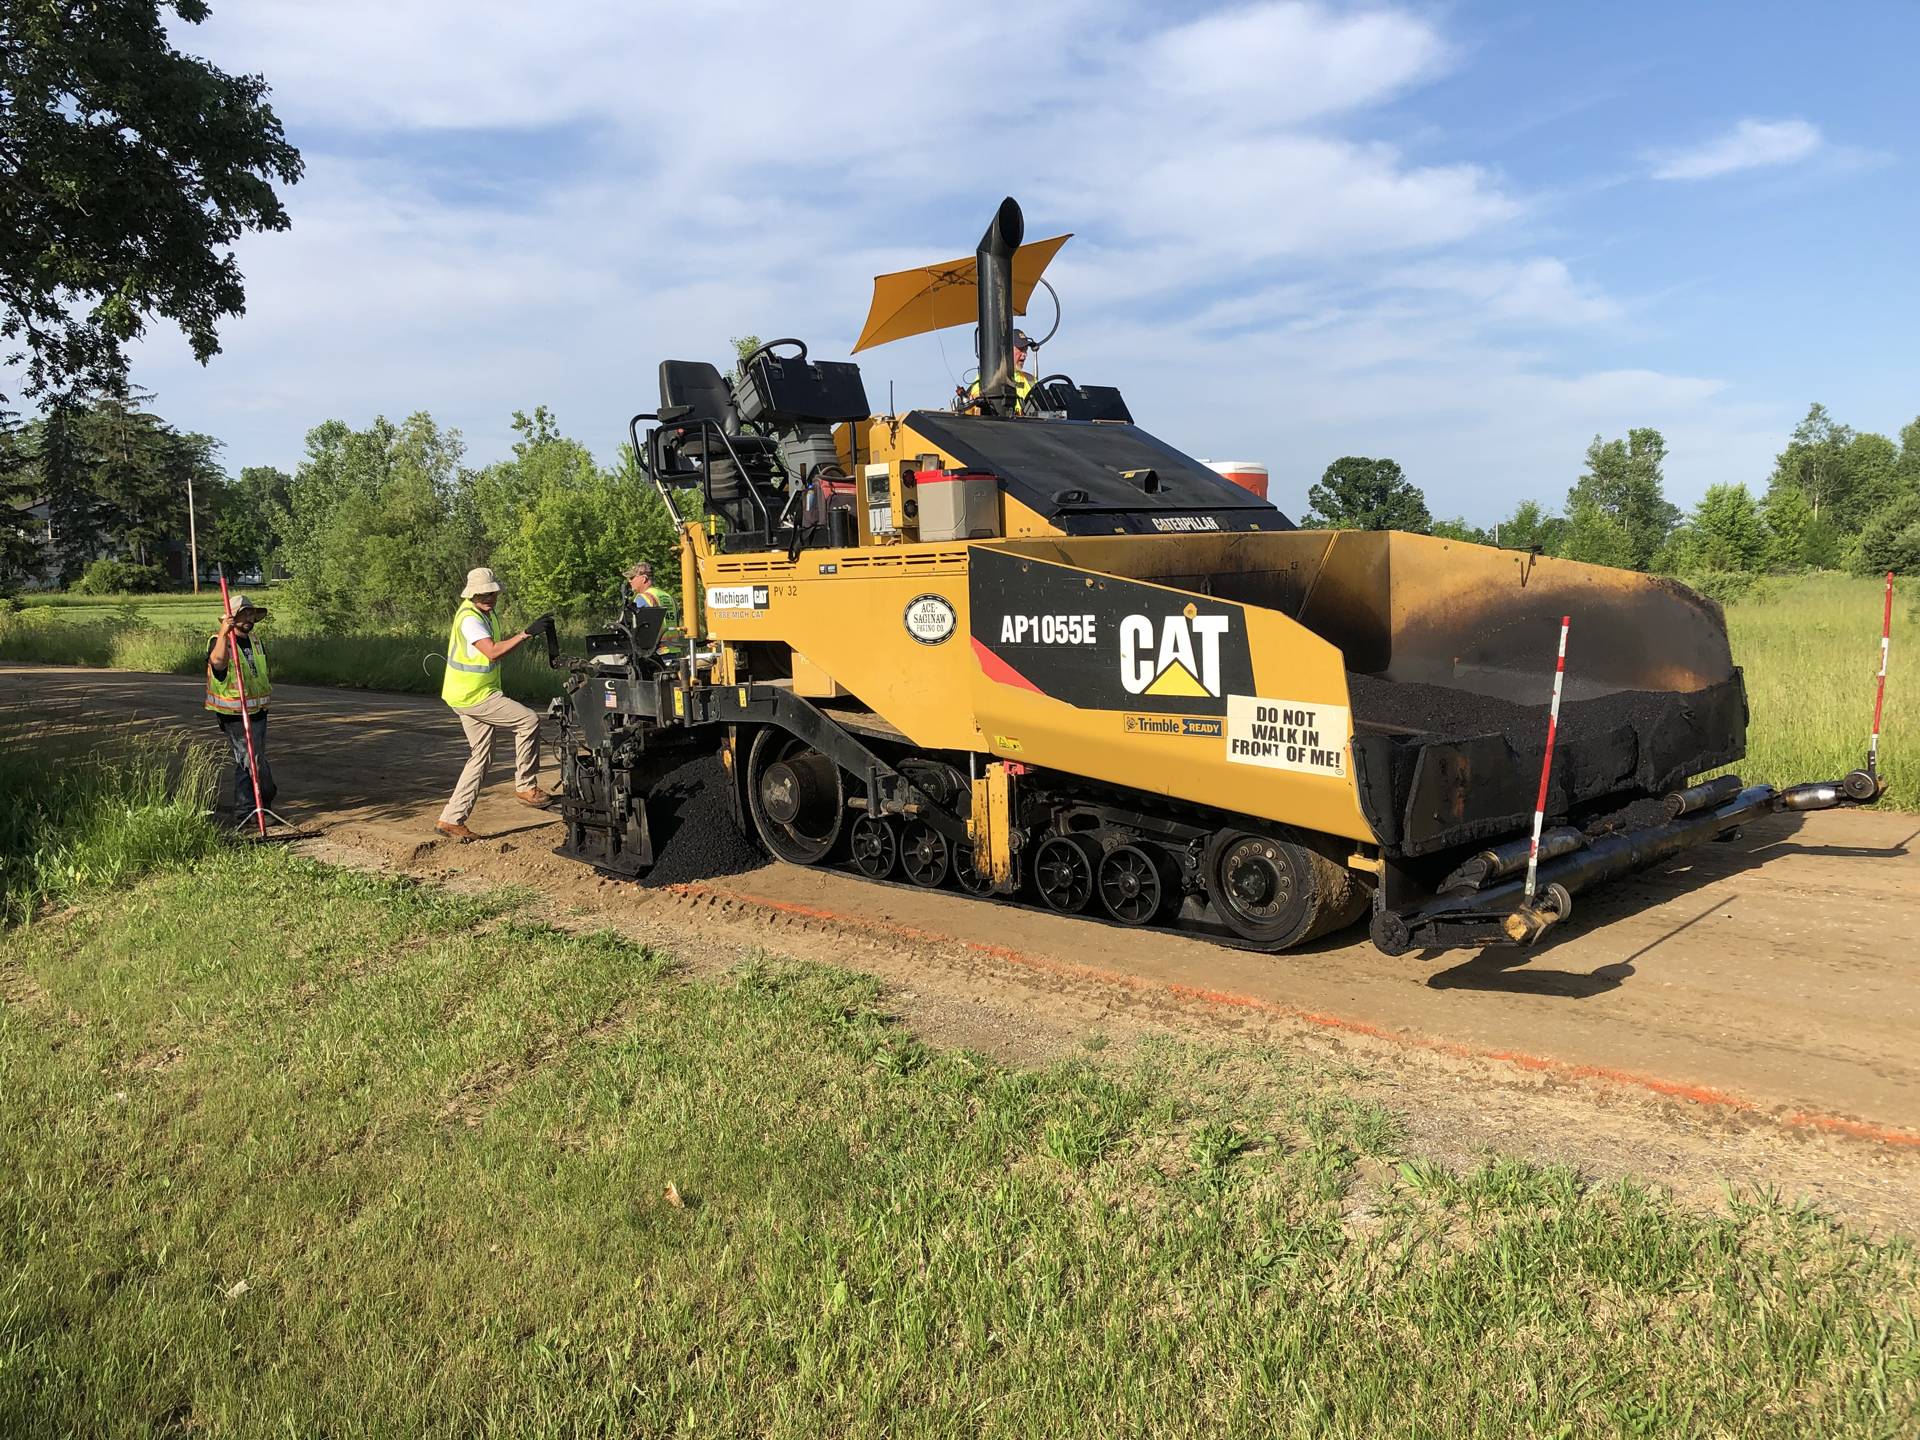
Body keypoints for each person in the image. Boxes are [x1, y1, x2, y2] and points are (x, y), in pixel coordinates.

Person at [435, 567, 552, 843]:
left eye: (491, 593)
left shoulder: (484, 613)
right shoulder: (470, 619)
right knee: (528, 721)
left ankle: (451, 819)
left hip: (466, 693)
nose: (488, 597)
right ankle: (525, 786)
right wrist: (526, 634)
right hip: (475, 695)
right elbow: (492, 651)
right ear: (473, 594)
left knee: (481, 757)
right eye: (483, 594)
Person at [205, 593, 276, 825]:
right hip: (234, 713)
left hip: (258, 710)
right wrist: (225, 634)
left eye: (250, 614)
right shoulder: (220, 641)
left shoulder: (255, 642)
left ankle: (262, 802)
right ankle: (248, 810)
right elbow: (217, 663)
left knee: (256, 760)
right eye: (242, 614)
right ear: (232, 618)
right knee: (248, 760)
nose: (248, 618)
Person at [964, 329, 1037, 408]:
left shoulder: (1031, 380)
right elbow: (976, 404)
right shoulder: (989, 375)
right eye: (1021, 349)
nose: (1025, 355)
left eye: (1026, 350)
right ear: (1007, 350)